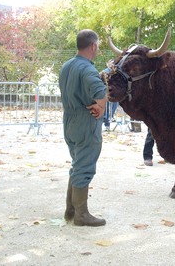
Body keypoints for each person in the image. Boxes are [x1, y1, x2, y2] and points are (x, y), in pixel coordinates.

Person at [59, 29, 107, 226]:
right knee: (84, 166)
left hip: (69, 121)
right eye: (98, 47)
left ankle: (70, 210)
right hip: (85, 122)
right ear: (93, 46)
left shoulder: (67, 66)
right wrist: (101, 107)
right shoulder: (87, 69)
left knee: (77, 163)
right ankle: (81, 215)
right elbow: (100, 92)